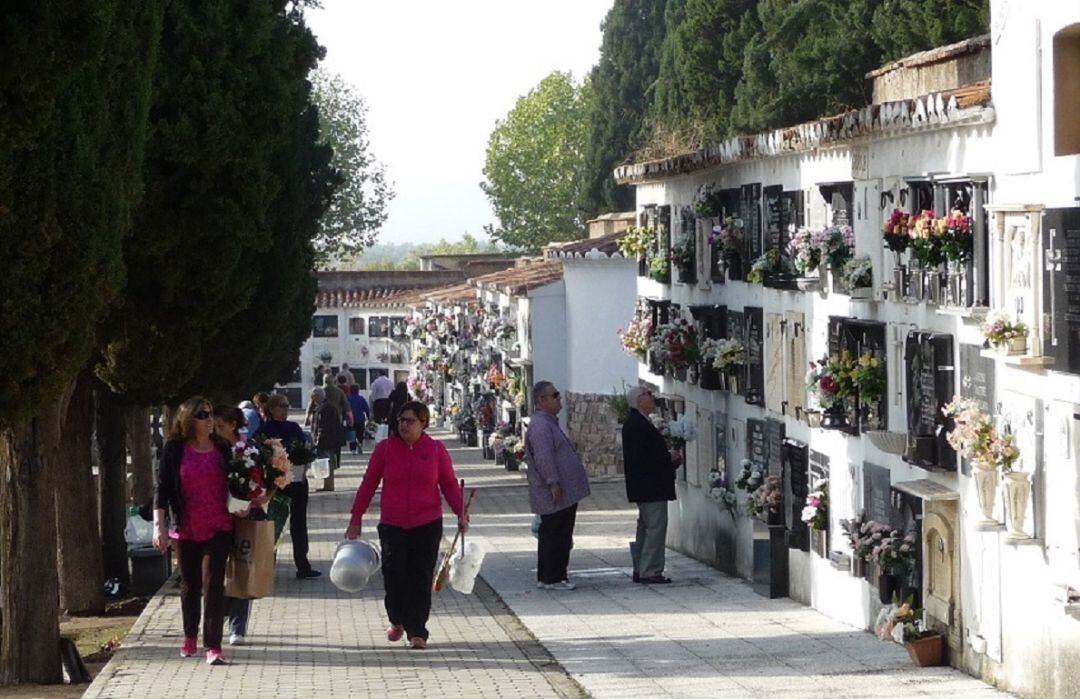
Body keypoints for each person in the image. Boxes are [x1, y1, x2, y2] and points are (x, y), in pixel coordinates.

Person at [345, 401, 466, 649]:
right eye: (401, 420)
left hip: (427, 522)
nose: (404, 425)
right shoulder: (385, 449)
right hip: (393, 523)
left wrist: (461, 513)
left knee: (420, 577)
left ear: (423, 423)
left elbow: (450, 485)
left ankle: (417, 631)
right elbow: (368, 484)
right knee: (394, 574)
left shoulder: (435, 450)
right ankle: (397, 618)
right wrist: (356, 518)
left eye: (410, 421)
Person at [152, 397, 233, 665]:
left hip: (219, 525)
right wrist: (159, 527)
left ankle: (213, 646)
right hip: (186, 527)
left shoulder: (222, 448)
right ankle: (189, 636)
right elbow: (162, 491)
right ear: (188, 419)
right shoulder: (175, 450)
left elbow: (237, 483)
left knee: (213, 584)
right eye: (201, 415)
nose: (209, 419)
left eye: (210, 414)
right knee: (190, 584)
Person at [523, 381, 590, 591]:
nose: (559, 399)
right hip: (553, 492)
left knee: (559, 532)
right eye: (555, 395)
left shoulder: (548, 422)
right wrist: (553, 482)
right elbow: (544, 457)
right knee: (555, 533)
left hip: (563, 490)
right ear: (542, 400)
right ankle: (553, 577)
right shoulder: (541, 426)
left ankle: (553, 575)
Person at [213, 406, 266, 645]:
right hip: (215, 518)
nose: (215, 428)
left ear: (233, 424)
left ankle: (238, 626)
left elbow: (259, 479)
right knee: (217, 570)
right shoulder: (210, 448)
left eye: (220, 425)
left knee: (242, 570)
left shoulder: (248, 448)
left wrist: (257, 497)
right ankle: (220, 615)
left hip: (244, 515)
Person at [622, 386, 681, 584]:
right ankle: (650, 570)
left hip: (646, 487)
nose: (652, 397)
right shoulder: (637, 424)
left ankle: (641, 567)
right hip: (650, 487)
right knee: (655, 528)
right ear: (639, 400)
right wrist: (668, 457)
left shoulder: (638, 422)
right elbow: (644, 458)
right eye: (648, 394)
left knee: (646, 527)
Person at [258, 394, 321, 579]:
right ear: (271, 409)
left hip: (297, 482)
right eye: (282, 406)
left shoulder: (293, 427)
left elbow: (305, 450)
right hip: (276, 485)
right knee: (274, 524)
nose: (286, 409)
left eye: (287, 406)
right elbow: (258, 455)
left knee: (299, 525)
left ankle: (303, 565)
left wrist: (306, 463)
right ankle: (267, 565)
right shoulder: (265, 430)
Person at [311, 386, 346, 492]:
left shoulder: (324, 408)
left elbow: (323, 426)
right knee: (326, 462)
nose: (312, 400)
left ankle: (329, 485)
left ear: (317, 397)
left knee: (328, 462)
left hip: (328, 440)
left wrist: (318, 439)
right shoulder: (325, 407)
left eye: (313, 398)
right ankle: (327, 484)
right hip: (330, 438)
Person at [347, 384, 371, 454]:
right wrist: (368, 417)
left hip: (350, 419)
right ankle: (360, 443)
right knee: (360, 433)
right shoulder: (361, 398)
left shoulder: (348, 398)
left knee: (351, 434)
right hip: (360, 419)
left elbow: (345, 408)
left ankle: (353, 449)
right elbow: (366, 409)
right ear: (358, 391)